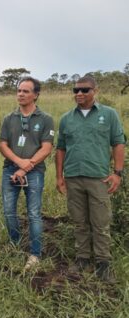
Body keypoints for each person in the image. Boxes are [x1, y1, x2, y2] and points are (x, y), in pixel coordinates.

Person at [56, 75, 126, 283]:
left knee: (101, 222)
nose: (79, 94)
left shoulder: (109, 114)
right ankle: (82, 259)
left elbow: (118, 143)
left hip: (99, 178)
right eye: (75, 90)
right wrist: (59, 176)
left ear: (95, 91)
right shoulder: (67, 118)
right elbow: (60, 148)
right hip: (73, 177)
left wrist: (118, 173)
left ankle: (103, 263)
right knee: (79, 222)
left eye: (84, 90)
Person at [0, 77, 54, 270]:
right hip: (10, 170)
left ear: (36, 95)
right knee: (8, 212)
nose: (21, 94)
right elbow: (3, 146)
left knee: (33, 213)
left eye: (25, 91)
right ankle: (15, 244)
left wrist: (25, 167)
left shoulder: (45, 119)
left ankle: (35, 253)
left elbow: (46, 148)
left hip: (34, 172)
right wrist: (17, 163)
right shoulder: (9, 118)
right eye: (19, 91)